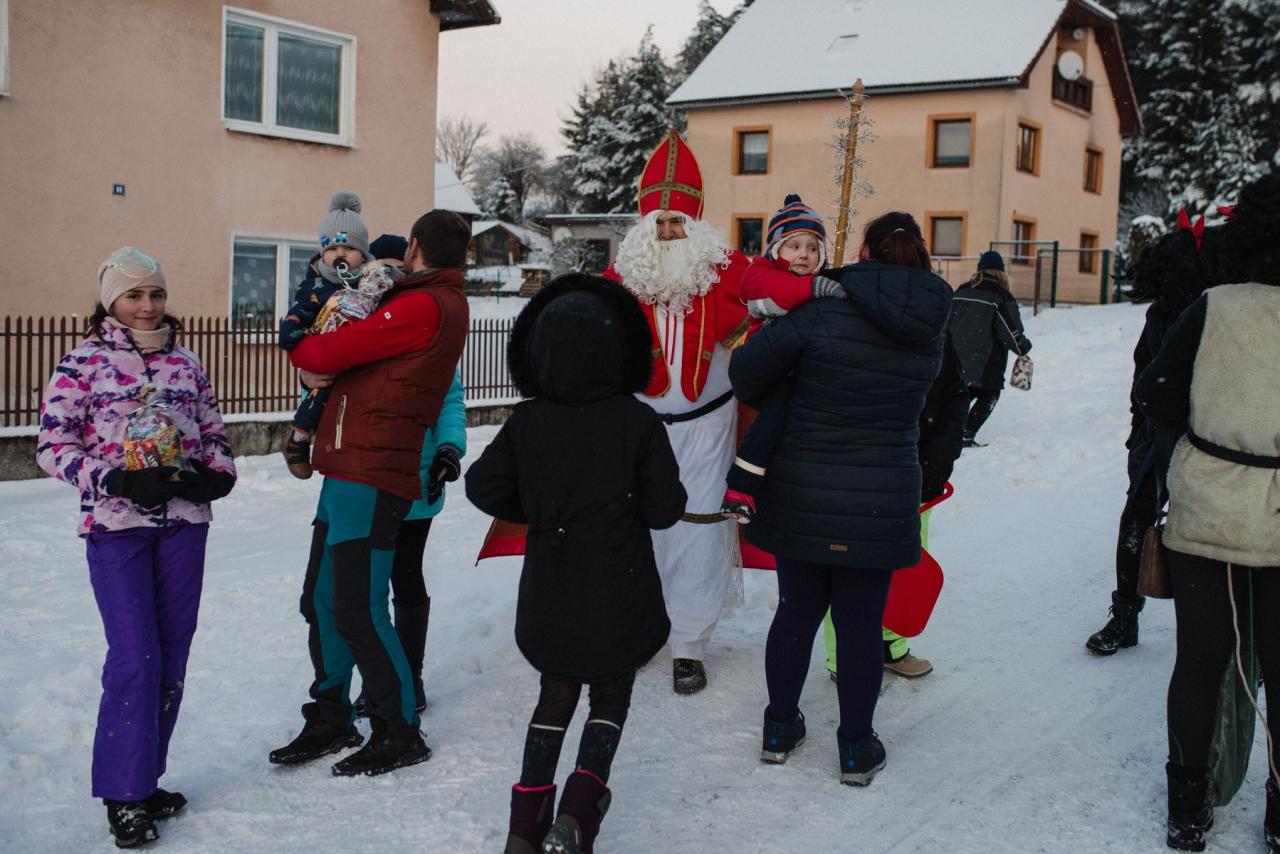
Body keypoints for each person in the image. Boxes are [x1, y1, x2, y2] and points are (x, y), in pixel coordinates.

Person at [465, 274, 686, 854]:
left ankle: (525, 827)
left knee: (555, 692)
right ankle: (578, 817)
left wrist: (539, 512)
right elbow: (665, 511)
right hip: (620, 582)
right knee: (610, 695)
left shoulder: (528, 420)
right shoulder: (638, 420)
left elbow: (482, 486)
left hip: (552, 582)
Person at [728, 212, 952, 785]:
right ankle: (855, 748)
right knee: (860, 626)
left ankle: (779, 729)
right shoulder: (931, 326)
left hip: (802, 487)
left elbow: (746, 373)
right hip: (880, 495)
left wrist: (789, 377)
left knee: (796, 612)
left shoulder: (821, 310)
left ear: (864, 252)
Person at [36, 247, 236, 847]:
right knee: (135, 656)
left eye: (155, 293)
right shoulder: (82, 363)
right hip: (116, 526)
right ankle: (122, 795)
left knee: (171, 657)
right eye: (134, 295)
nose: (147, 306)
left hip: (184, 522)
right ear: (110, 301)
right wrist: (115, 480)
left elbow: (214, 432)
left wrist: (218, 475)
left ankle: (144, 781)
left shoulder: (186, 362)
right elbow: (52, 446)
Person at [268, 209, 471, 777]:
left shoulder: (425, 305)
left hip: (374, 467)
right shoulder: (412, 299)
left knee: (359, 608)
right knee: (323, 601)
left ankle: (398, 730)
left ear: (414, 246)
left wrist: (307, 354)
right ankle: (331, 715)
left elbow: (319, 353)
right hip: (345, 463)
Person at [1133, 174, 1280, 853]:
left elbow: (1156, 393)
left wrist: (1180, 464)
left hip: (1208, 506)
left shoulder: (1212, 306)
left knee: (1200, 660)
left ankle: (1187, 808)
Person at [604, 128, 750, 694]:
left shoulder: (727, 270)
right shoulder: (621, 279)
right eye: (658, 223)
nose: (667, 232)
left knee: (699, 531)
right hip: (640, 429)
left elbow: (779, 297)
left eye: (677, 223)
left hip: (709, 427)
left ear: (695, 224)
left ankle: (689, 644)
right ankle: (641, 631)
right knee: (639, 529)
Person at [1084, 226, 1220, 655]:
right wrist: (1137, 432)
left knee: (1215, 532)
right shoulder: (1160, 314)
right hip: (1159, 435)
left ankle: (1230, 633)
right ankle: (1125, 615)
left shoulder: (1224, 309)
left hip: (1216, 440)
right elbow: (1143, 376)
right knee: (1136, 520)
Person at [720, 194, 841, 522]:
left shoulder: (818, 280)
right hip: (769, 370)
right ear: (776, 249)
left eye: (812, 248)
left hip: (803, 369)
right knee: (773, 417)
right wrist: (814, 289)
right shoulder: (760, 274)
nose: (804, 254)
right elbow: (777, 292)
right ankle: (741, 487)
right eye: (794, 246)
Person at [278, 192, 378, 479]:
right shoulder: (316, 285)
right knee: (320, 393)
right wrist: (291, 329)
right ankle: (298, 439)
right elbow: (300, 310)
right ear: (323, 252)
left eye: (348, 247)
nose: (340, 254)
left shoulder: (371, 283)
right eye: (332, 248)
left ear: (363, 253)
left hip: (361, 360)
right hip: (330, 356)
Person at [950, 251, 1032, 447]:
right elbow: (1010, 331)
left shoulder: (961, 291)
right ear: (1001, 272)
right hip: (985, 361)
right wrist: (1022, 347)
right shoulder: (1000, 296)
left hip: (955, 357)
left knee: (962, 394)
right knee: (989, 394)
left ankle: (951, 432)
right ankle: (965, 434)